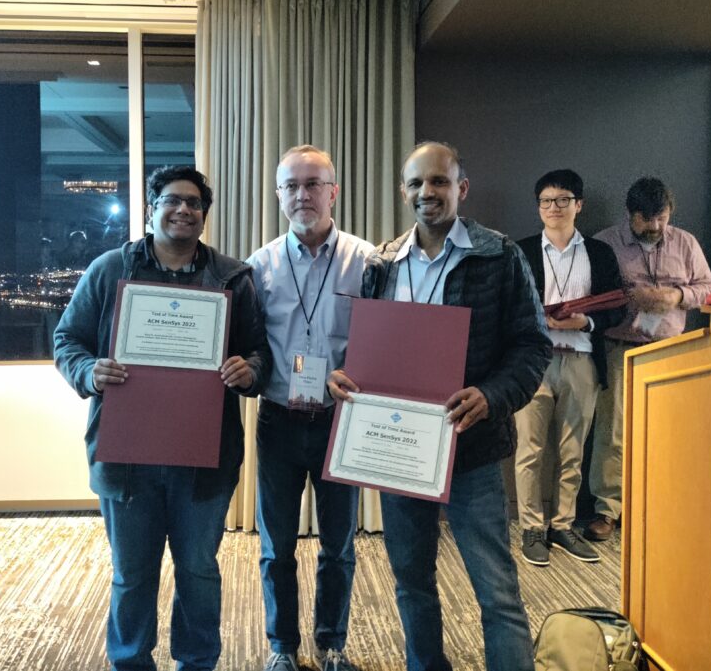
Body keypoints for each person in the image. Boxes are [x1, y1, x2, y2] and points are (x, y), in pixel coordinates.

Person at [328, 141, 552, 671]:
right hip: (398, 451)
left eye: (439, 182)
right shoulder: (382, 263)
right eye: (416, 184)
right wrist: (347, 377)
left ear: (461, 188)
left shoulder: (499, 255)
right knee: (411, 581)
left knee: (496, 591)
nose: (427, 192)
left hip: (470, 448)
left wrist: (493, 395)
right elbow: (370, 350)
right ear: (404, 191)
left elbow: (533, 345)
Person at [53, 165, 272, 671]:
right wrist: (89, 370)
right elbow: (67, 340)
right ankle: (130, 662)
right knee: (132, 573)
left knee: (197, 570)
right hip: (127, 455)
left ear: (203, 215)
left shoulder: (234, 278)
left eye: (194, 203)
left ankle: (196, 662)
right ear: (151, 209)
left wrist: (249, 369)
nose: (183, 210)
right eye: (172, 200)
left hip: (204, 457)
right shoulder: (110, 270)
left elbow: (259, 353)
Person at [246, 145, 375, 671]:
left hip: (340, 422)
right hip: (278, 420)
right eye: (291, 186)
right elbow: (251, 344)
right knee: (276, 548)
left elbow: (382, 344)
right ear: (279, 196)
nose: (303, 194)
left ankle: (332, 643)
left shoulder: (368, 262)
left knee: (339, 546)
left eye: (313, 184)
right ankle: (282, 647)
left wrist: (362, 374)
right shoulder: (259, 265)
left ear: (333, 191)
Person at [585, 177, 711, 542]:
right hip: (618, 347)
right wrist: (631, 298)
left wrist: (676, 297)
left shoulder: (686, 242)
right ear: (630, 214)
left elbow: (707, 287)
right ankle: (606, 511)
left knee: (666, 431)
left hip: (669, 350)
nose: (656, 227)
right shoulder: (606, 242)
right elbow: (588, 292)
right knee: (612, 433)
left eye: (662, 218)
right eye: (647, 219)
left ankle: (655, 506)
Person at [513, 169, 625, 567]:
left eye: (563, 200)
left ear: (579, 205)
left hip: (581, 361)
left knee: (572, 451)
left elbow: (617, 306)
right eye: (546, 201)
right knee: (529, 450)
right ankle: (531, 529)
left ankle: (562, 525)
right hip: (534, 362)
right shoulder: (521, 250)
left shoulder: (599, 254)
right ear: (539, 207)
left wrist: (587, 323)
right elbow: (509, 306)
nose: (554, 208)